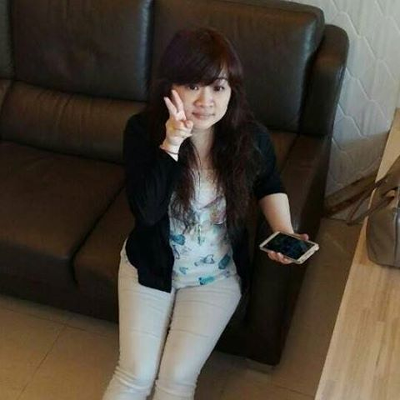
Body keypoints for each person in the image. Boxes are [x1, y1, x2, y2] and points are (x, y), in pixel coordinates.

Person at [102, 27, 308, 400]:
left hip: (216, 276)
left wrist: (283, 229)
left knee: (176, 378)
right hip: (149, 265)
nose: (206, 101)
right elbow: (146, 212)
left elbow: (269, 183)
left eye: (218, 87)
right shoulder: (142, 131)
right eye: (193, 85)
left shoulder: (250, 138)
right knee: (136, 374)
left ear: (232, 91)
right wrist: (172, 142)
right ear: (170, 87)